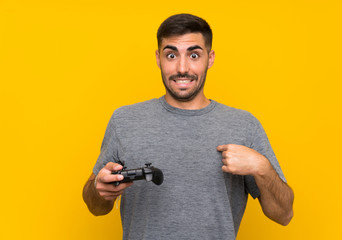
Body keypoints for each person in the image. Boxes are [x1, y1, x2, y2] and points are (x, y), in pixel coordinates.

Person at [83, 13, 294, 240]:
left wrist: (261, 166)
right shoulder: (124, 120)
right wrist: (99, 188)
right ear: (158, 58)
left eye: (194, 55)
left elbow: (284, 215)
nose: (182, 68)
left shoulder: (244, 125)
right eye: (171, 55)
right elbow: (96, 207)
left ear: (210, 58)